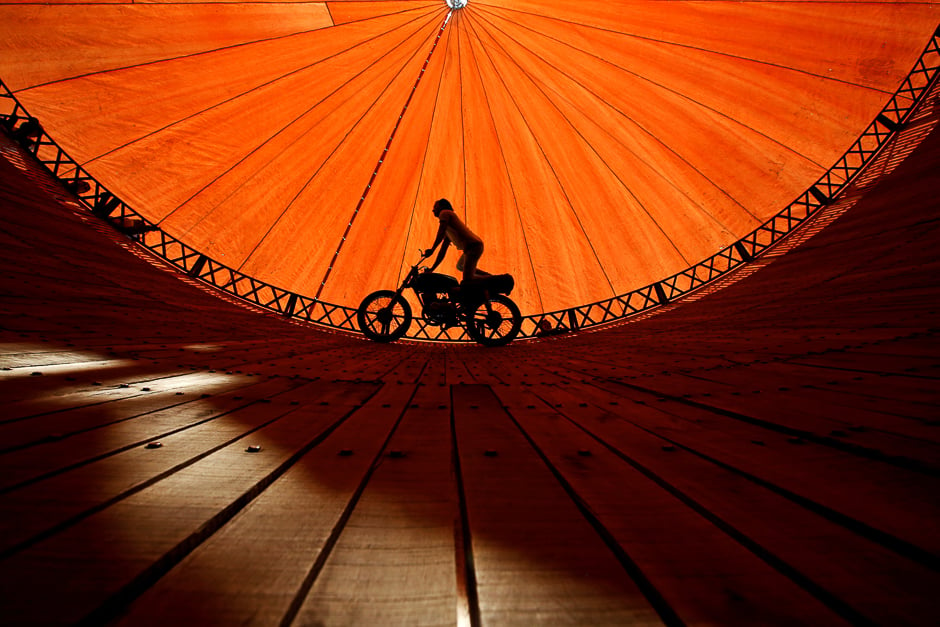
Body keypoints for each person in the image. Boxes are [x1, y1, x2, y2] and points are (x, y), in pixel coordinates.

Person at [424, 198, 489, 283]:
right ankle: (488, 277)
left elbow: (440, 233)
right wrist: (432, 268)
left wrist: (432, 249)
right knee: (460, 266)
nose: (433, 210)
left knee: (468, 279)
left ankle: (495, 280)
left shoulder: (444, 213)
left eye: (435, 207)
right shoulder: (449, 229)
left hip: (473, 246)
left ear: (441, 207)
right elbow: (442, 251)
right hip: (473, 246)